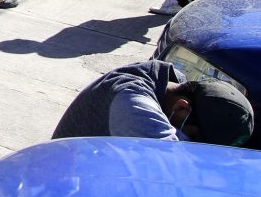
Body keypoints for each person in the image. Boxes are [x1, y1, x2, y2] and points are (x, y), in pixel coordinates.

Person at [52, 60, 254, 147]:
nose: (190, 143)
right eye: (192, 138)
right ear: (182, 107)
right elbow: (176, 169)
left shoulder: (168, 82)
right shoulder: (133, 103)